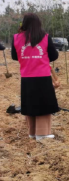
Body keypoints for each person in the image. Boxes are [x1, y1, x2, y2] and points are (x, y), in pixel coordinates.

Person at [11, 13, 59, 141]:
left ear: (24, 23)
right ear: (39, 23)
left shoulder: (16, 37)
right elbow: (54, 56)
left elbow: (15, 57)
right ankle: (42, 134)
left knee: (30, 104)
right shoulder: (45, 37)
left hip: (26, 77)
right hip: (42, 77)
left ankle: (32, 132)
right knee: (44, 104)